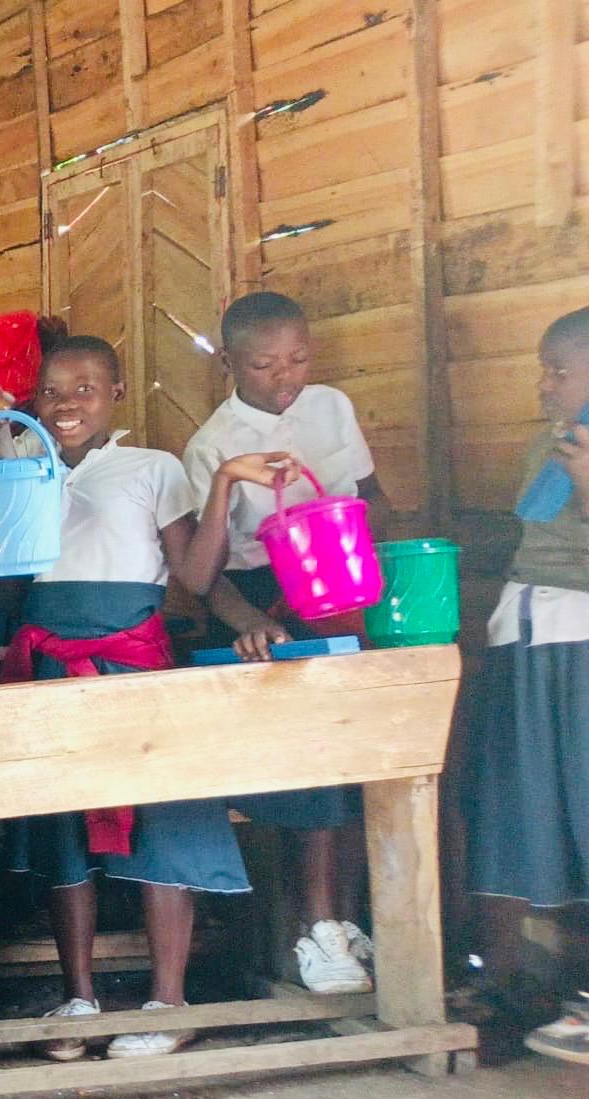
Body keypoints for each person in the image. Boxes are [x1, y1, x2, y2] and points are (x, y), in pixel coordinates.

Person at [0, 338, 292, 1058]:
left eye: (86, 387)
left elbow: (192, 570)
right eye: (53, 392)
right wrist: (2, 476)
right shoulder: (20, 470)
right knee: (66, 833)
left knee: (164, 824)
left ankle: (168, 1000)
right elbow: (7, 589)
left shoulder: (150, 467)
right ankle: (80, 998)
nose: (67, 404)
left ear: (118, 392)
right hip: (51, 672)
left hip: (133, 668)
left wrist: (221, 487)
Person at [181, 291, 387, 994]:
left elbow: (370, 496)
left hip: (340, 584)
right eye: (265, 364)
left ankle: (349, 924)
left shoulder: (330, 407)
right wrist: (250, 624)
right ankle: (315, 926)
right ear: (230, 362)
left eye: (298, 358)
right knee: (310, 768)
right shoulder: (212, 441)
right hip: (260, 606)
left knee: (361, 767)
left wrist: (374, 576)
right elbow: (206, 579)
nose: (286, 375)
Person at [463, 306, 589, 1067]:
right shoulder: (550, 441)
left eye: (559, 370)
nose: (544, 383)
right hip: (528, 636)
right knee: (534, 811)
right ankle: (530, 979)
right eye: (543, 367)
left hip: (580, 642)